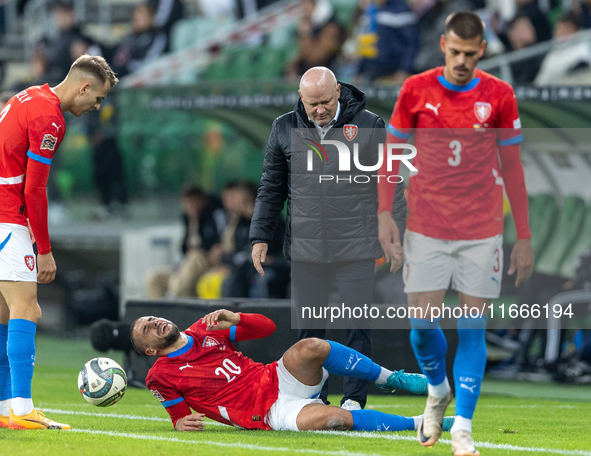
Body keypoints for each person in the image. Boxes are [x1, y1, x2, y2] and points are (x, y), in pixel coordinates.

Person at [377, 12, 534, 455]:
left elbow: (513, 167)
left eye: (471, 53)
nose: (462, 61)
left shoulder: (499, 95)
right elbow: (391, 155)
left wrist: (523, 235)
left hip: (481, 228)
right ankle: (437, 389)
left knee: (472, 328)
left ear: (481, 50)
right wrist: (385, 213)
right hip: (426, 227)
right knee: (421, 327)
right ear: (444, 44)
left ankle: (462, 425)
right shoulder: (415, 89)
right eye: (456, 52)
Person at [249, 67, 406, 411]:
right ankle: (312, 398)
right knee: (309, 330)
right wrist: (260, 236)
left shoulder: (369, 126)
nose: (318, 110)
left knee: (356, 327)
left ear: (338, 91)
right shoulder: (283, 127)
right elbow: (271, 189)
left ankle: (354, 400)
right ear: (300, 99)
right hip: (306, 249)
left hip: (357, 245)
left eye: (324, 101)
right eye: (311, 104)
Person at [0, 54, 118, 430]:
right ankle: (22, 409)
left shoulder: (29, 95)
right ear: (83, 86)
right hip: (7, 218)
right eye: (97, 98)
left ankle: (5, 408)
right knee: (27, 310)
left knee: (5, 315)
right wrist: (45, 250)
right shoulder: (49, 117)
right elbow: (35, 187)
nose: (96, 106)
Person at [131, 309, 451, 432]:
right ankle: (422, 423)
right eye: (147, 328)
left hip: (276, 376)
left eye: (151, 318)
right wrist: (179, 422)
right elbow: (178, 415)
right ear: (150, 350)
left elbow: (267, 328)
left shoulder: (205, 328)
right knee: (334, 418)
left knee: (310, 346)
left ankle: (390, 379)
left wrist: (239, 318)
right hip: (270, 412)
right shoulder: (160, 376)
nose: (154, 322)